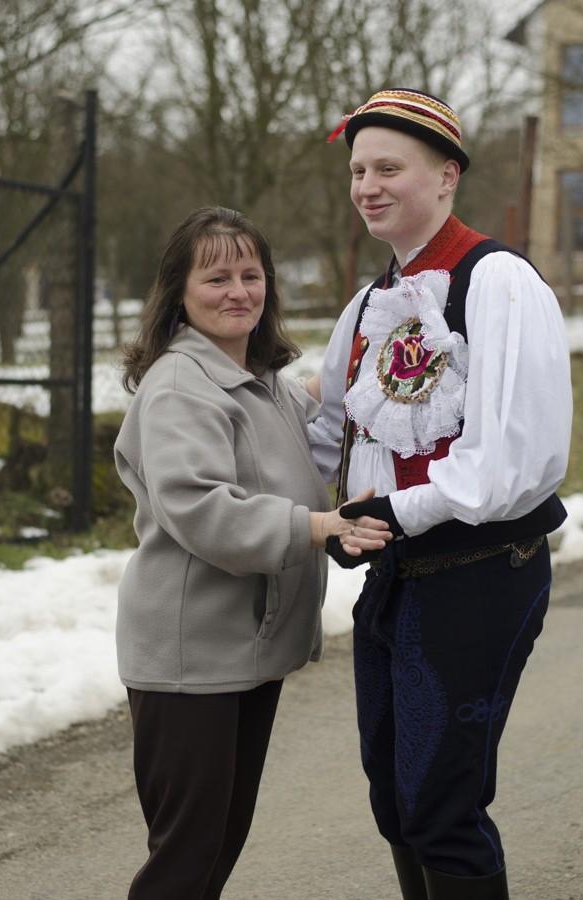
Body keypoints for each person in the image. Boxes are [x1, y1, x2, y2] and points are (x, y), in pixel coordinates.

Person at [308, 89, 573, 899]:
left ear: (447, 175)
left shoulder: (496, 282)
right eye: (358, 171)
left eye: (389, 168)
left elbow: (508, 463)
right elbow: (331, 431)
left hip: (479, 573)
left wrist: (389, 513)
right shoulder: (367, 306)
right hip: (395, 576)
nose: (367, 186)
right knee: (396, 800)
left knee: (440, 806)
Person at [113, 206, 390, 900]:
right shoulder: (180, 387)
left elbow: (309, 429)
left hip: (244, 653)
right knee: (185, 860)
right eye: (216, 278)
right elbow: (202, 509)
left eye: (250, 274)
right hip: (192, 660)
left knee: (216, 848)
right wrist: (319, 526)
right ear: (179, 291)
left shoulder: (259, 379)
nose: (238, 291)